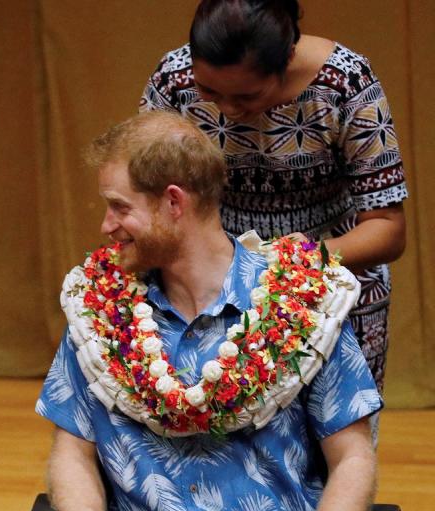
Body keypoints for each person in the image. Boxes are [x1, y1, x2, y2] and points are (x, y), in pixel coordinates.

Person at [37, 112, 379, 511]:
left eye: (119, 206)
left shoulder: (304, 303)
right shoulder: (98, 310)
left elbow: (353, 456)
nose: (106, 225)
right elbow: (71, 449)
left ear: (174, 202)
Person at [140, 0, 407, 407]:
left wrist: (292, 261)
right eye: (209, 91)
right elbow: (146, 200)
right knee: (220, 448)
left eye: (248, 94)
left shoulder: (346, 83)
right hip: (210, 294)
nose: (227, 110)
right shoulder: (173, 82)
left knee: (338, 452)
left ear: (287, 59)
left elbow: (388, 228)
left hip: (331, 288)